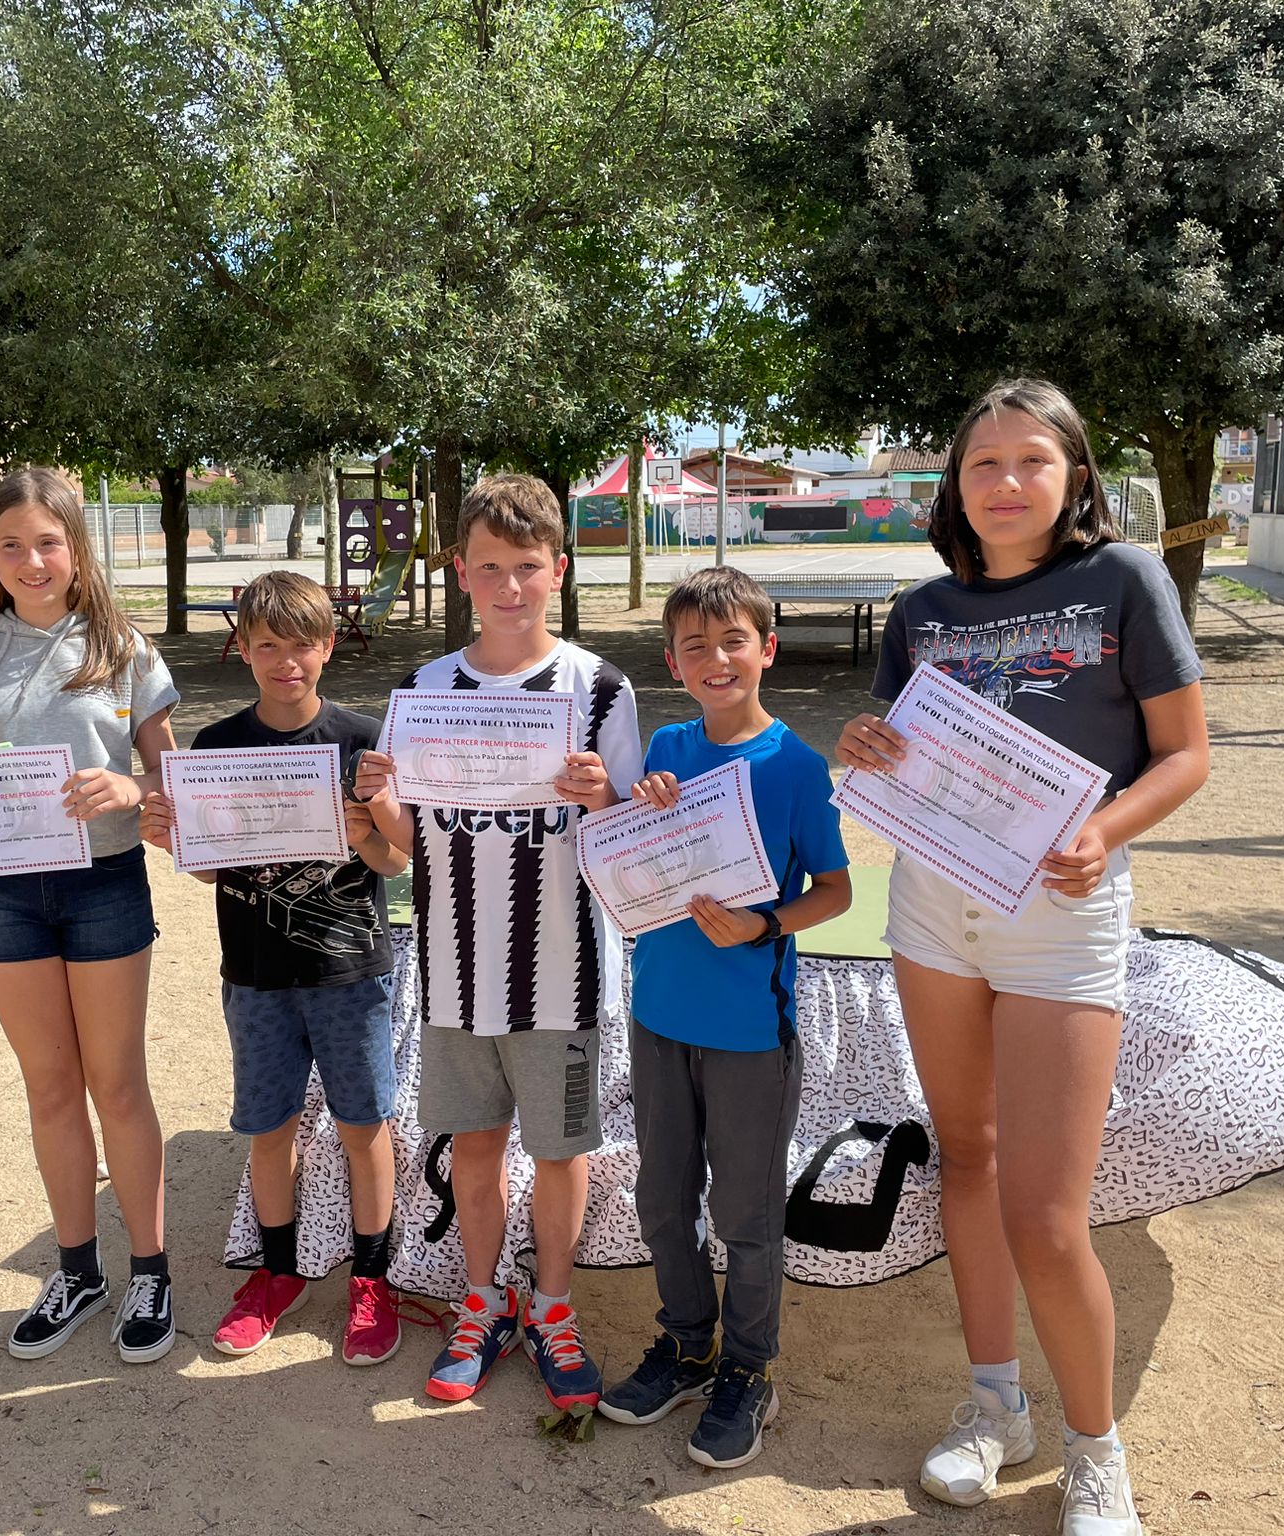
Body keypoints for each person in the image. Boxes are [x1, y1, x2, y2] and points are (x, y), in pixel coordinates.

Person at [837, 378, 1209, 1535]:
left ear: (1074, 475)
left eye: (1030, 460)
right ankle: (993, 1407)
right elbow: (907, 754)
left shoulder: (1124, 579)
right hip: (931, 911)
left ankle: (1095, 1455)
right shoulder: (920, 609)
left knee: (1047, 1215)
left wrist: (1103, 830)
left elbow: (1184, 755)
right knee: (967, 1159)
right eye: (981, 463)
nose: (1004, 482)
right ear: (953, 484)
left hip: (1061, 914)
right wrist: (866, 745)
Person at [355, 472, 641, 1412]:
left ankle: (552, 1307)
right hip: (454, 973)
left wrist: (605, 798)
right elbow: (411, 843)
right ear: (459, 571)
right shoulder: (422, 689)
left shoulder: (602, 687)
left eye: (527, 566)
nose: (509, 586)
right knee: (474, 1148)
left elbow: (631, 843)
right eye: (490, 568)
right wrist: (378, 800)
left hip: (564, 975)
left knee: (559, 1151)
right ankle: (483, 1303)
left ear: (558, 569)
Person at [0, 467, 180, 1365]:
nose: (32, 560)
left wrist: (132, 788)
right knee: (51, 1087)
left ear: (76, 547)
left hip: (105, 885)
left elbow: (169, 778)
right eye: (11, 544)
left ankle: (150, 1271)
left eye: (48, 542)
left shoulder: (121, 647)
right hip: (6, 892)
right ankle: (77, 1271)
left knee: (118, 1085)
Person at [598, 566, 851, 1468]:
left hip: (749, 1032)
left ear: (767, 649)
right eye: (695, 645)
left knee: (744, 1213)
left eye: (734, 641)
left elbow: (836, 890)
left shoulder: (798, 766)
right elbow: (625, 850)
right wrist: (630, 803)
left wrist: (764, 924)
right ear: (673, 662)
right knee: (663, 1200)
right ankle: (686, 1346)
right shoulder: (665, 746)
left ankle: (749, 1368)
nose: (716, 659)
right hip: (659, 1015)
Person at [138, 572, 414, 1365]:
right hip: (256, 971)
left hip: (350, 971)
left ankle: (372, 1280)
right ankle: (279, 1272)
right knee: (268, 1129)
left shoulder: (363, 740)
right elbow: (210, 868)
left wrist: (365, 831)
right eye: (267, 646)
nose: (285, 662)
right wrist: (172, 840)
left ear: (327, 647)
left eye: (300, 645)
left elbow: (396, 861)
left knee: (364, 1128)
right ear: (245, 651)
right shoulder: (217, 746)